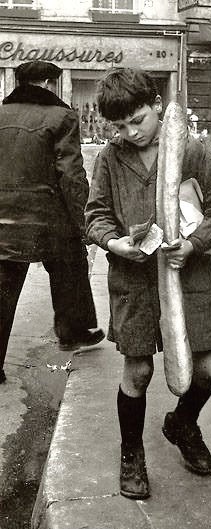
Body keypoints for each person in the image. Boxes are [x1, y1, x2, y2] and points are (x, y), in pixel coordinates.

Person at [85, 68, 211, 500]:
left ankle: (182, 423)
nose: (131, 132)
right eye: (120, 126)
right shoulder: (110, 159)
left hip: (189, 278)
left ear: (156, 105)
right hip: (134, 281)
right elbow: (96, 215)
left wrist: (193, 244)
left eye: (138, 120)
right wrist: (115, 243)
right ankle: (131, 454)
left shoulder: (191, 151)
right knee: (139, 370)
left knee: (208, 369)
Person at [0, 61, 105, 385]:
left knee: (3, 289)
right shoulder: (62, 117)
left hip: (3, 218)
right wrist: (84, 222)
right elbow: (71, 176)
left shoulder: (1, 114)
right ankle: (72, 332)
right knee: (70, 263)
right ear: (48, 83)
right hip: (48, 218)